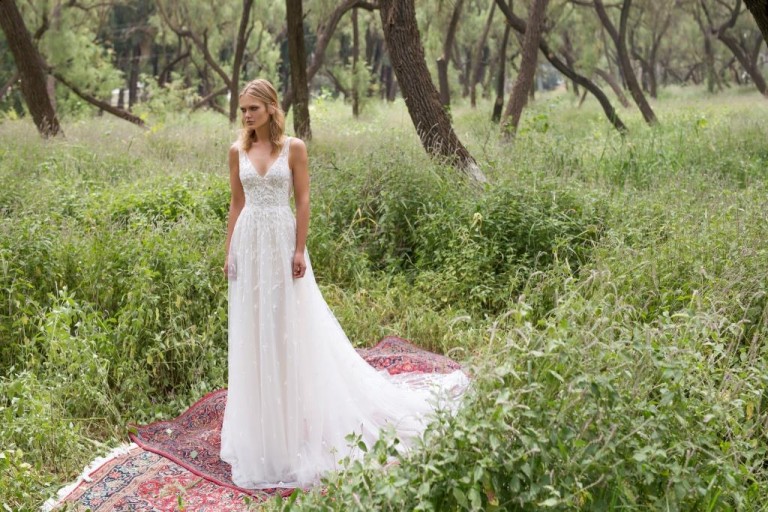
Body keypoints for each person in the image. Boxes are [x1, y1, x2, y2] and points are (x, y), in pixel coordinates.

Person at [219, 78, 468, 489]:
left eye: (253, 109)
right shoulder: (237, 151)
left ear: (271, 109)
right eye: (243, 109)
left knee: (288, 327)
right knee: (254, 329)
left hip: (281, 241)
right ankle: (262, 425)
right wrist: (230, 251)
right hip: (250, 244)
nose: (246, 116)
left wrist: (300, 249)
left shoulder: (293, 148)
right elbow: (236, 203)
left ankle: (296, 419)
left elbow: (303, 200)